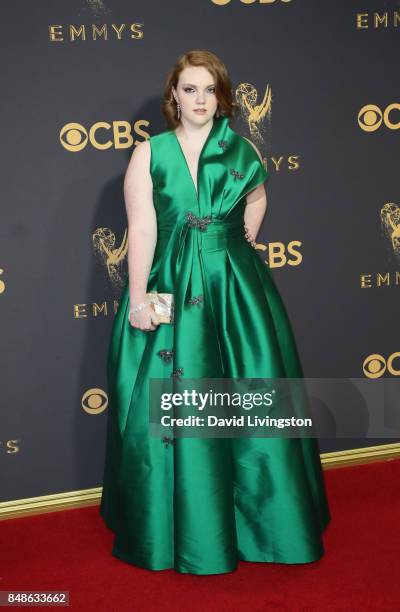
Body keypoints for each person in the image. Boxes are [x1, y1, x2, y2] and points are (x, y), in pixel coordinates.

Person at [100, 49, 331, 575]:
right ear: (174, 96)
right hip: (169, 284)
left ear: (221, 96)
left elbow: (257, 197)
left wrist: (243, 237)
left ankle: (265, 523)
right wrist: (140, 299)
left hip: (236, 288)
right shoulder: (150, 153)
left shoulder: (241, 148)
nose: (200, 99)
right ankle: (178, 526)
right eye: (190, 89)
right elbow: (141, 228)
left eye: (209, 89)